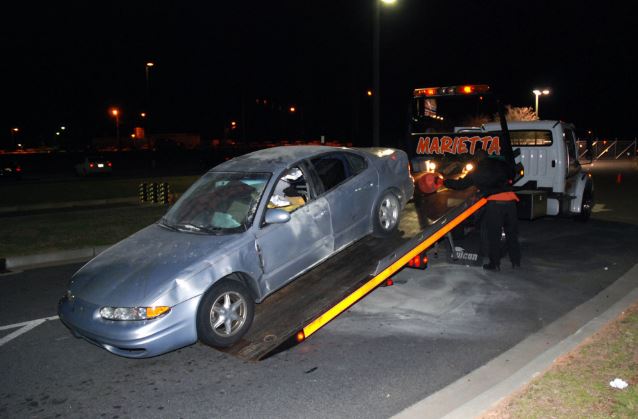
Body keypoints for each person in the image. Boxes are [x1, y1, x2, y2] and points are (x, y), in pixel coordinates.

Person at [443, 149, 521, 271]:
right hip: (511, 201)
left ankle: (494, 264)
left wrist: (444, 181)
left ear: (477, 159)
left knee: (494, 236)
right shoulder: (500, 163)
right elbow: (512, 173)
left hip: (495, 204)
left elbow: (461, 185)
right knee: (512, 234)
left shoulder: (477, 170)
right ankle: (516, 262)